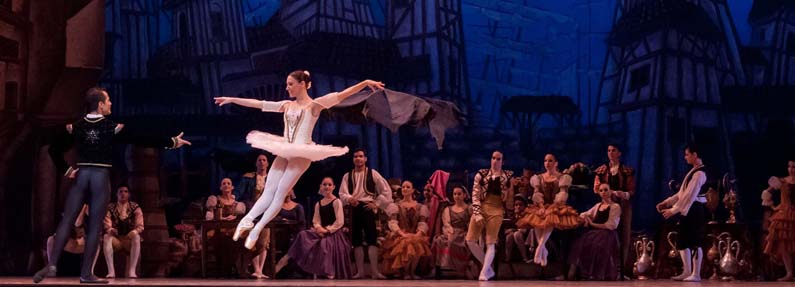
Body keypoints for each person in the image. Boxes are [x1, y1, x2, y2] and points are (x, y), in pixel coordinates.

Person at [35, 87, 191, 284]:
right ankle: (86, 274)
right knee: (94, 228)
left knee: (67, 221)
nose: (110, 103)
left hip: (82, 175)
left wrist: (67, 171)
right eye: (108, 100)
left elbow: (54, 150)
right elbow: (140, 137)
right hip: (99, 177)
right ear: (100, 104)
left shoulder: (77, 127)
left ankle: (51, 265)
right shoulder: (110, 128)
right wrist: (171, 142)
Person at [214, 71, 385, 250]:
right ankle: (248, 220)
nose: (287, 88)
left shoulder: (315, 105)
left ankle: (257, 229)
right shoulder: (286, 105)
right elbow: (259, 104)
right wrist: (232, 99)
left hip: (302, 152)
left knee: (280, 192)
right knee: (268, 191)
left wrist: (365, 81)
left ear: (302, 84)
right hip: (285, 148)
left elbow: (342, 95)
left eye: (290, 84)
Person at [275, 177, 353, 279]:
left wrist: (327, 230)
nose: (327, 187)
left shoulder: (336, 201)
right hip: (321, 230)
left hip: (333, 233)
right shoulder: (318, 204)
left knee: (324, 244)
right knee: (303, 235)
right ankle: (287, 258)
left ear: (333, 187)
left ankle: (329, 271)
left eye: (329, 185)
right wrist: (318, 228)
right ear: (321, 186)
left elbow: (339, 222)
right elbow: (316, 220)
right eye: (324, 184)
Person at [516, 153, 580, 267]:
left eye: (550, 161)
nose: (547, 163)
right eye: (545, 161)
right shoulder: (539, 178)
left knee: (551, 216)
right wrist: (541, 207)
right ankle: (543, 250)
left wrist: (551, 208)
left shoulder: (562, 178)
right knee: (537, 217)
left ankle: (540, 246)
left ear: (556, 163)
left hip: (556, 206)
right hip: (542, 206)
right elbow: (537, 193)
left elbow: (562, 195)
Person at [656, 144, 708, 282]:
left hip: (695, 209)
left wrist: (673, 210)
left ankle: (696, 274)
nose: (685, 157)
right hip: (687, 209)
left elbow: (689, 196)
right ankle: (687, 271)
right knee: (682, 241)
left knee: (695, 241)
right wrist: (666, 202)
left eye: (687, 154)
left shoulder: (699, 173)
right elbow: (682, 193)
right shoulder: (692, 172)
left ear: (695, 154)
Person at [339, 149, 393, 279]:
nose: (358, 158)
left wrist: (377, 204)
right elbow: (342, 193)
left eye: (361, 156)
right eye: (356, 156)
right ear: (353, 159)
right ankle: (360, 272)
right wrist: (349, 199)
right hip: (355, 208)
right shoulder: (347, 176)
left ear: (365, 159)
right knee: (356, 240)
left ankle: (375, 272)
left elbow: (385, 190)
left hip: (368, 208)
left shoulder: (373, 173)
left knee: (371, 239)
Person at [465, 150, 513, 281]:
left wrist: (510, 211)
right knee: (470, 240)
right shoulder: (482, 174)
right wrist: (477, 213)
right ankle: (488, 268)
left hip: (496, 210)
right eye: (493, 158)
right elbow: (475, 194)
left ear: (503, 161)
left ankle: (484, 271)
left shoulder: (507, 176)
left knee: (490, 242)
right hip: (481, 208)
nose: (495, 161)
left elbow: (509, 198)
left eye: (498, 159)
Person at [593, 144, 635, 276]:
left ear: (619, 153)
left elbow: (631, 191)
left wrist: (622, 194)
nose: (610, 153)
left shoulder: (626, 171)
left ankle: (621, 269)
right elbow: (596, 188)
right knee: (605, 234)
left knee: (624, 235)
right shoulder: (601, 171)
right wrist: (603, 191)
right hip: (607, 204)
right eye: (609, 150)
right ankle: (605, 268)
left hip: (623, 204)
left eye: (614, 150)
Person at [567, 183, 621, 280]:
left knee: (597, 245)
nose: (603, 192)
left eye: (605, 190)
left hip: (607, 234)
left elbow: (611, 225)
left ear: (610, 191)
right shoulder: (598, 206)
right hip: (594, 233)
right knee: (579, 243)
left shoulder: (615, 206)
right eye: (601, 190)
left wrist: (592, 224)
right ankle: (575, 272)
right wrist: (586, 218)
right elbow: (584, 214)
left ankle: (596, 274)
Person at [381, 180, 431, 279]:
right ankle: (406, 272)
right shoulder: (396, 206)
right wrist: (403, 234)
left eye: (408, 187)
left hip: (414, 234)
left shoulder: (420, 207)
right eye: (403, 187)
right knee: (407, 242)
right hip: (400, 234)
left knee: (417, 242)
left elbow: (423, 223)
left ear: (412, 190)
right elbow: (393, 223)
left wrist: (417, 234)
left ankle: (412, 271)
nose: (405, 189)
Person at [102, 185, 144, 278]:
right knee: (106, 237)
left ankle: (132, 271)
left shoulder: (135, 207)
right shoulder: (110, 207)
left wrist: (134, 232)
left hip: (128, 240)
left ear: (129, 194)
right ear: (116, 194)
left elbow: (140, 226)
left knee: (137, 237)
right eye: (120, 191)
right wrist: (111, 230)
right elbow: (107, 225)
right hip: (116, 240)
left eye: (125, 191)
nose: (123, 194)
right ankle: (111, 272)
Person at [763, 160, 795, 281]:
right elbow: (767, 192)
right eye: (789, 166)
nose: (791, 169)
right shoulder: (782, 181)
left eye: (794, 167)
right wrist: (770, 204)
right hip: (785, 213)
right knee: (784, 244)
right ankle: (789, 273)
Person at [432, 185, 472, 276]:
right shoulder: (448, 209)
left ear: (464, 195)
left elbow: (471, 223)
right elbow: (446, 223)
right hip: (451, 231)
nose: (457, 196)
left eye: (459, 194)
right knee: (438, 240)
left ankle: (461, 267)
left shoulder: (469, 208)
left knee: (454, 241)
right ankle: (437, 268)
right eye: (455, 194)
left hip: (464, 233)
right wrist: (450, 232)